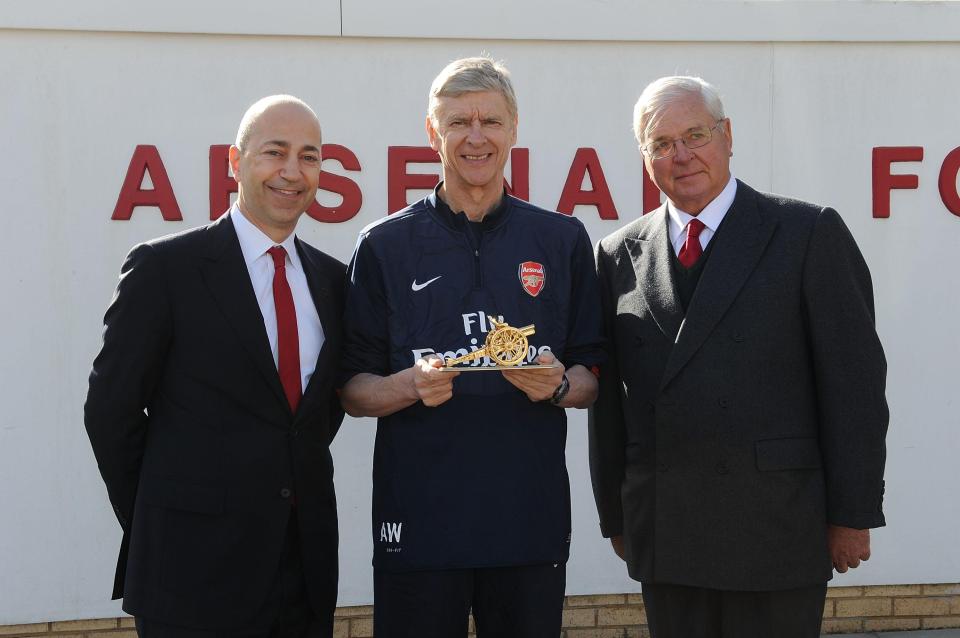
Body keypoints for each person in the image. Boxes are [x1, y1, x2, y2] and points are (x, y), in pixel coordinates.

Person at [589, 76, 888, 638]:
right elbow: (609, 405)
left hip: (776, 528)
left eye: (695, 134)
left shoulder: (806, 232)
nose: (681, 155)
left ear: (727, 136)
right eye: (660, 144)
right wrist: (617, 513)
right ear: (645, 159)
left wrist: (852, 513)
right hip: (667, 529)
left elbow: (855, 386)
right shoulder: (615, 254)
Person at [340, 57, 605, 638]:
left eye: (490, 120)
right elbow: (353, 391)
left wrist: (558, 385)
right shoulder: (385, 245)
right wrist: (409, 386)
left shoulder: (560, 239)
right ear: (432, 132)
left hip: (526, 522)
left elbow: (591, 377)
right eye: (458, 122)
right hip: (419, 523)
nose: (476, 137)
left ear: (514, 128)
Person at [84, 95, 346, 638]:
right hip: (189, 575)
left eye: (309, 156)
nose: (292, 172)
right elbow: (111, 411)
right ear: (235, 161)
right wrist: (164, 518)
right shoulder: (165, 270)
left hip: (304, 572)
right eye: (275, 152)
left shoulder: (333, 281)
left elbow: (312, 420)